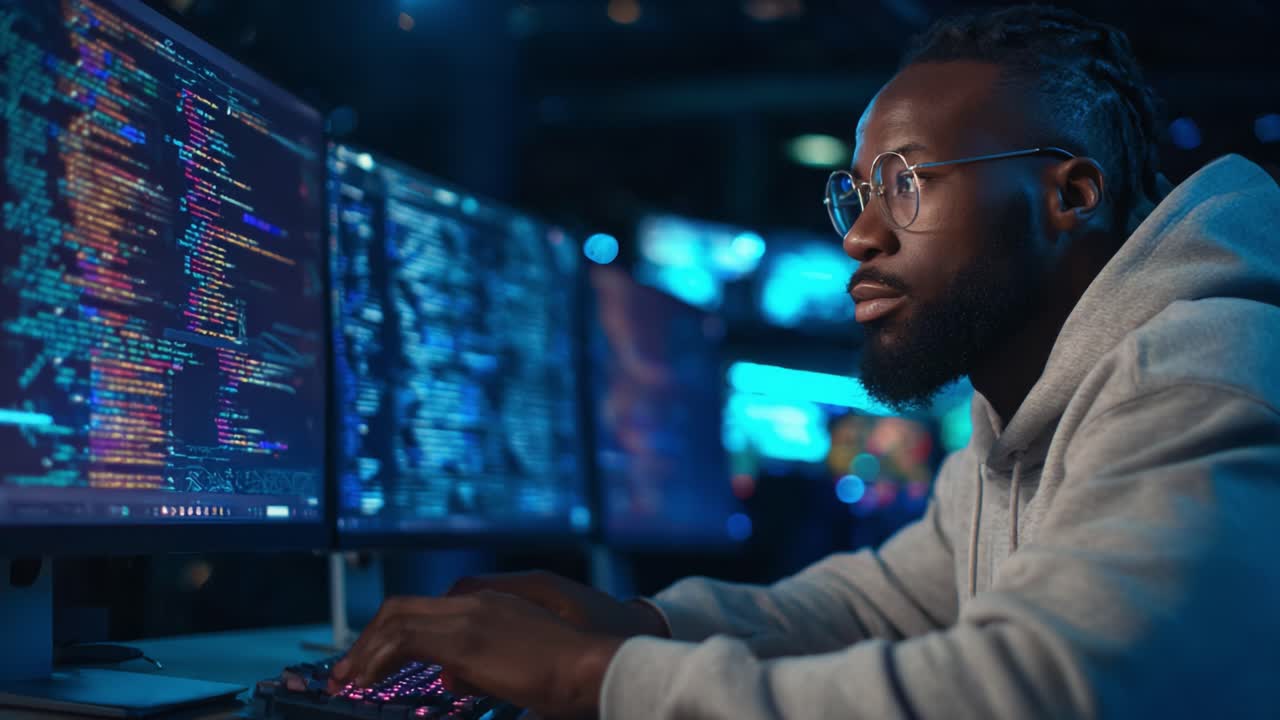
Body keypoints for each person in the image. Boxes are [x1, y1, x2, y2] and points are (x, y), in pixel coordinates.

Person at [323, 5, 1280, 718]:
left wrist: (589, 678)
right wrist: (633, 625)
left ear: (1069, 195)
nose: (860, 235)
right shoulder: (1013, 434)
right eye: (857, 194)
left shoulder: (1198, 366)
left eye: (905, 182)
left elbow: (1037, 691)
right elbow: (872, 604)